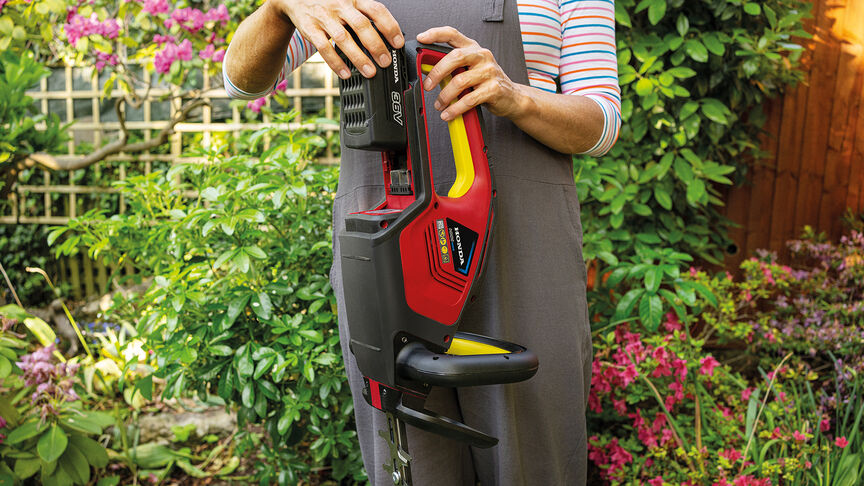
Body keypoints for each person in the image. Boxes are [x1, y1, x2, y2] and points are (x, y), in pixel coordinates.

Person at [224, 1, 620, 484]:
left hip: (525, 252)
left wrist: (517, 97)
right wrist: (280, 9)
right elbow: (242, 81)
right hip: (387, 254)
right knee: (409, 463)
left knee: (536, 460)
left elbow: (602, 122)